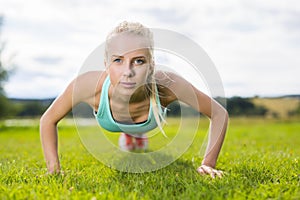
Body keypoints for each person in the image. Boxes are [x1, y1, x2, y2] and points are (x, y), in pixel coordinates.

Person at [40, 21, 228, 178]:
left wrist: (208, 164)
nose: (127, 72)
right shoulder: (87, 85)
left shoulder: (168, 84)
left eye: (138, 61)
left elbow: (219, 113)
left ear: (151, 65)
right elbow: (48, 120)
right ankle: (131, 134)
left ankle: (136, 134)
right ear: (106, 64)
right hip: (112, 122)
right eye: (118, 60)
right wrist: (53, 170)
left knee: (137, 134)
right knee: (129, 134)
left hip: (149, 120)